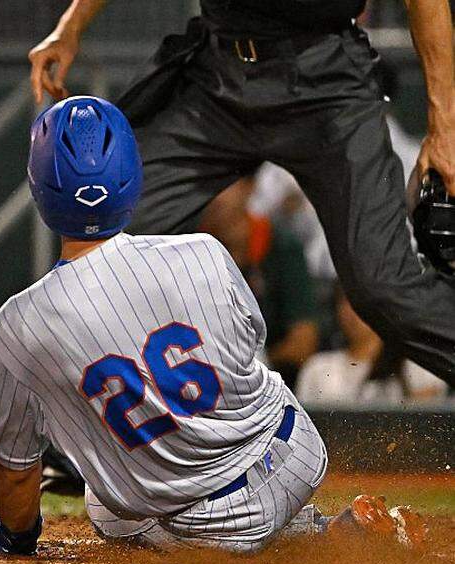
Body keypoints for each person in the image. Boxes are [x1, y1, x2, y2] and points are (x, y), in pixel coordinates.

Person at [0, 97, 424, 556]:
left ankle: (309, 537)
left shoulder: (17, 323)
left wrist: (15, 537)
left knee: (106, 506)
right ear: (131, 180)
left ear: (40, 189)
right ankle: (321, 528)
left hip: (207, 524)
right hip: (294, 454)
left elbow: (13, 469)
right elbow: (247, 349)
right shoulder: (204, 251)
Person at [27, 0, 455, 387]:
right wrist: (70, 27)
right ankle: (53, 456)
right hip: (218, 77)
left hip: (326, 82)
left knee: (383, 286)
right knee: (101, 238)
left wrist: (445, 125)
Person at [197, 177, 319, 384]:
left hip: (272, 383)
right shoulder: (189, 246)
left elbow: (303, 342)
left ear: (249, 186)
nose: (216, 198)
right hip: (202, 380)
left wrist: (250, 366)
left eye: (223, 186)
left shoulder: (280, 245)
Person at [297, 291, 446, 404]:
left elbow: (428, 422)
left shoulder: (418, 363)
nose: (352, 310)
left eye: (359, 298)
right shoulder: (317, 367)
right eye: (344, 300)